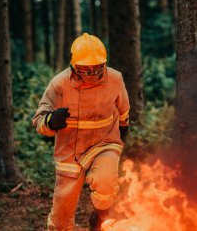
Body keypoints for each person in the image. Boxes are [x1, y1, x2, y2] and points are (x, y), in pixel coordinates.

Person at [32, 33, 130, 231]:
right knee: (60, 221)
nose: (92, 74)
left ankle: (101, 219)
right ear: (74, 66)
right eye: (86, 70)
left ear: (105, 64)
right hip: (69, 153)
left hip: (104, 143)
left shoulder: (115, 79)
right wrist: (51, 121)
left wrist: (123, 127)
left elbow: (124, 109)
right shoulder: (59, 83)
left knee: (105, 181)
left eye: (97, 68)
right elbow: (38, 120)